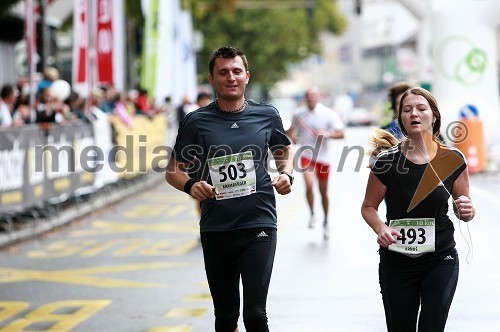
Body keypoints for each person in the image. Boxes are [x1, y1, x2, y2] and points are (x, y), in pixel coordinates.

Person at [165, 45, 294, 332]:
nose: (231, 77)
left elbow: (283, 150)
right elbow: (173, 171)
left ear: (247, 76)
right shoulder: (196, 121)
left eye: (237, 71)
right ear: (211, 80)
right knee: (225, 318)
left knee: (256, 316)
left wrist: (286, 174)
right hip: (217, 227)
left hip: (258, 223)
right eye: (223, 72)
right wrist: (190, 185)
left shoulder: (267, 114)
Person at [361, 87, 476, 332]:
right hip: (397, 263)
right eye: (407, 109)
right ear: (401, 118)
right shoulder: (386, 162)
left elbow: (464, 207)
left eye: (421, 109)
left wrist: (466, 210)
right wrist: (380, 228)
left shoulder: (453, 159)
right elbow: (369, 207)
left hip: (440, 259)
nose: (414, 113)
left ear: (433, 116)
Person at [287, 87, 344, 240]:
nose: (311, 98)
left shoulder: (328, 114)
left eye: (314, 95)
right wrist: (293, 138)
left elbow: (341, 133)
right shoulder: (299, 114)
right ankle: (312, 213)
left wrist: (326, 134)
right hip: (306, 156)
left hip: (323, 158)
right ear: (305, 98)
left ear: (318, 97)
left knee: (323, 192)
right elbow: (291, 130)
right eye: (308, 96)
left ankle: (326, 221)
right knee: (310, 185)